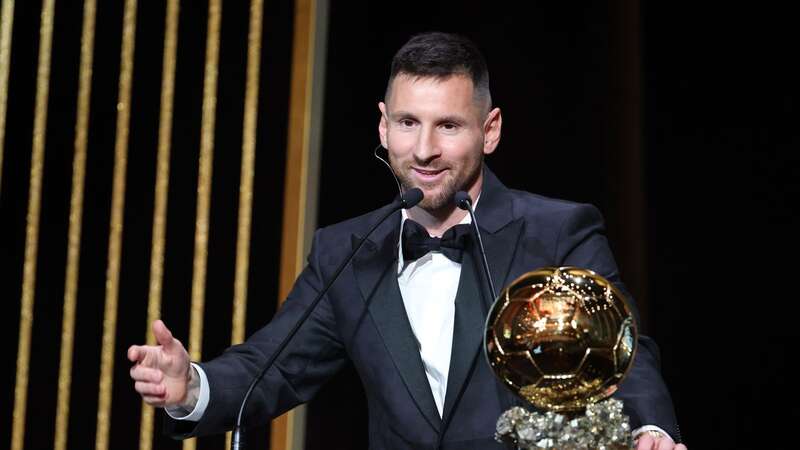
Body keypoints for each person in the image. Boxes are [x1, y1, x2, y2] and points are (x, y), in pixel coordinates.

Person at [129, 32, 687, 450]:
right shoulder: (347, 250)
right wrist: (190, 387)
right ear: (382, 126)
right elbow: (271, 368)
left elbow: (623, 352)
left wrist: (651, 429)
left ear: (488, 130)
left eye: (447, 126)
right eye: (406, 123)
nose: (423, 150)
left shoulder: (557, 231)